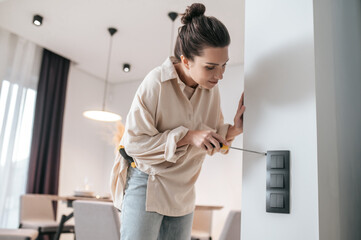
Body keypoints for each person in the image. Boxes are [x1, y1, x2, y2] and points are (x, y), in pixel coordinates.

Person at [110, 3, 245, 240]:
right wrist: (189, 136)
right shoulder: (155, 84)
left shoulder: (210, 89)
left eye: (224, 65)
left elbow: (213, 136)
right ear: (185, 61)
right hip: (148, 185)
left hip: (184, 192)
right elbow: (134, 146)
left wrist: (234, 129)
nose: (220, 75)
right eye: (211, 67)